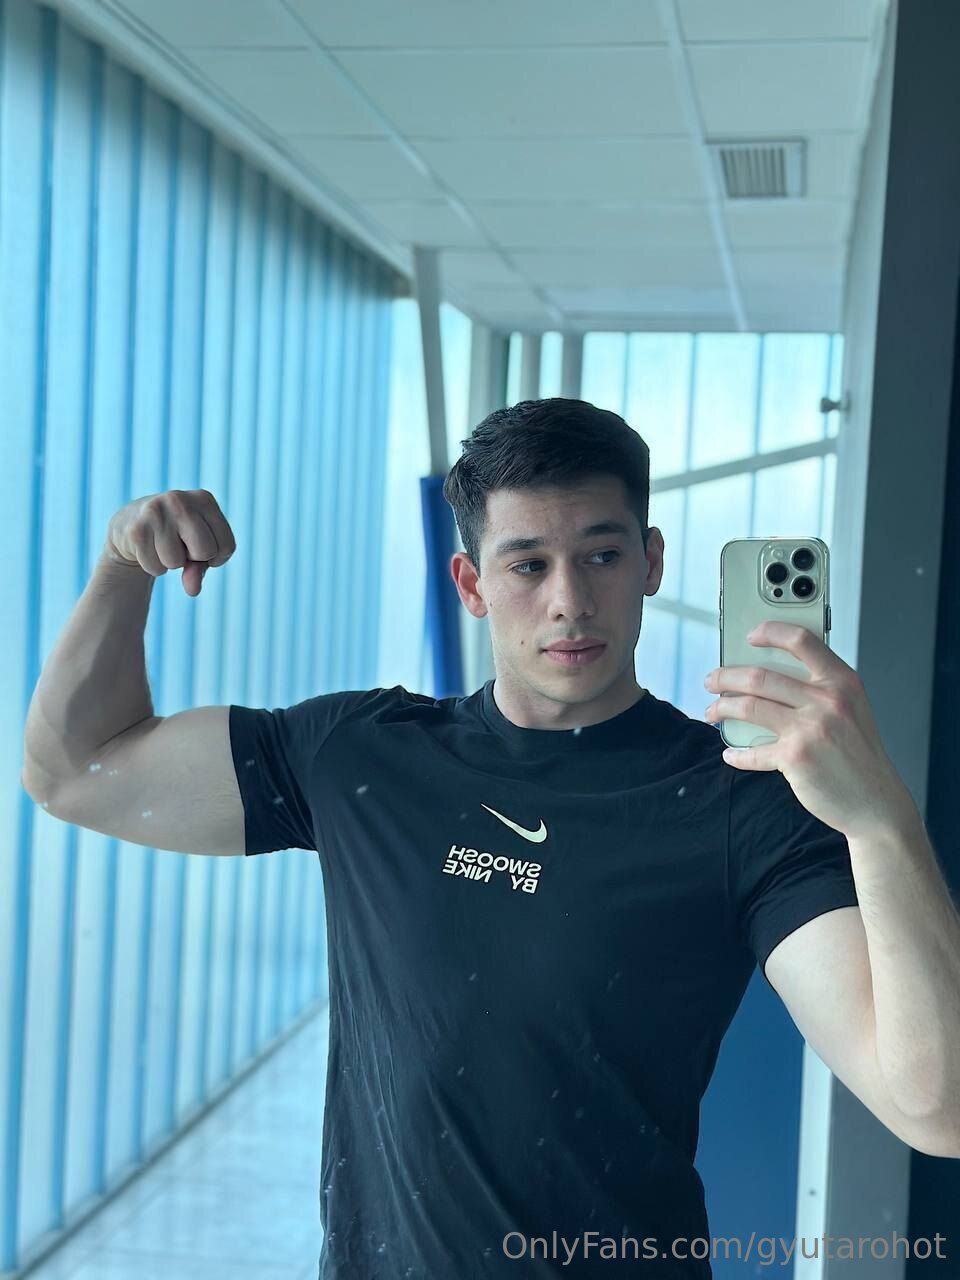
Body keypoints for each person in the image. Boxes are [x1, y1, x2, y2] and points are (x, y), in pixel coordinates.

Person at [21, 398, 935, 1278]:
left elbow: (935, 1110)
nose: (570, 600)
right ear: (472, 585)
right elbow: (75, 773)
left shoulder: (738, 804)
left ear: (651, 562)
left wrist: (881, 819)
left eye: (602, 555)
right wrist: (120, 568)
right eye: (528, 564)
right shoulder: (364, 754)